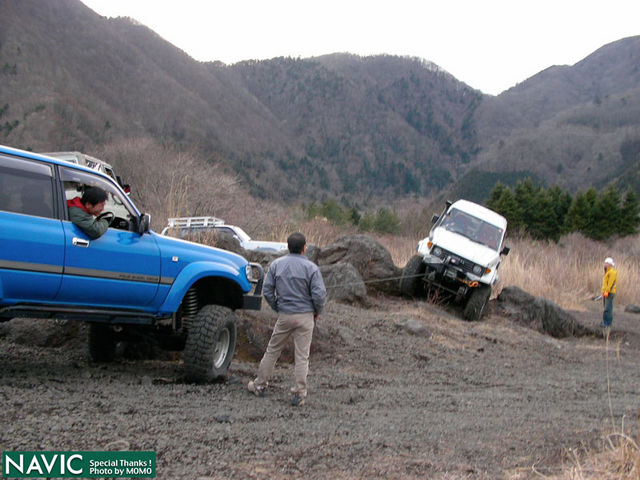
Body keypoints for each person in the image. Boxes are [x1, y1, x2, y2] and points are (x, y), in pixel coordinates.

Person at [248, 232, 327, 406]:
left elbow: (267, 291)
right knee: (302, 356)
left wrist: (278, 307)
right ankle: (299, 393)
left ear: (288, 247)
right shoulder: (312, 268)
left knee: (272, 351)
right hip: (306, 316)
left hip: (285, 315)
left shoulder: (277, 265)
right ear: (304, 248)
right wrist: (316, 311)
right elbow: (319, 295)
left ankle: (260, 385)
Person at [600, 257, 618, 328]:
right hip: (606, 292)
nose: (605, 264)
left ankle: (607, 323)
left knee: (608, 308)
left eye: (606, 263)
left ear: (610, 264)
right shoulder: (607, 271)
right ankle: (605, 321)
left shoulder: (612, 272)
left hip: (609, 292)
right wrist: (603, 291)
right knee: (606, 307)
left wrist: (606, 292)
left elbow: (610, 283)